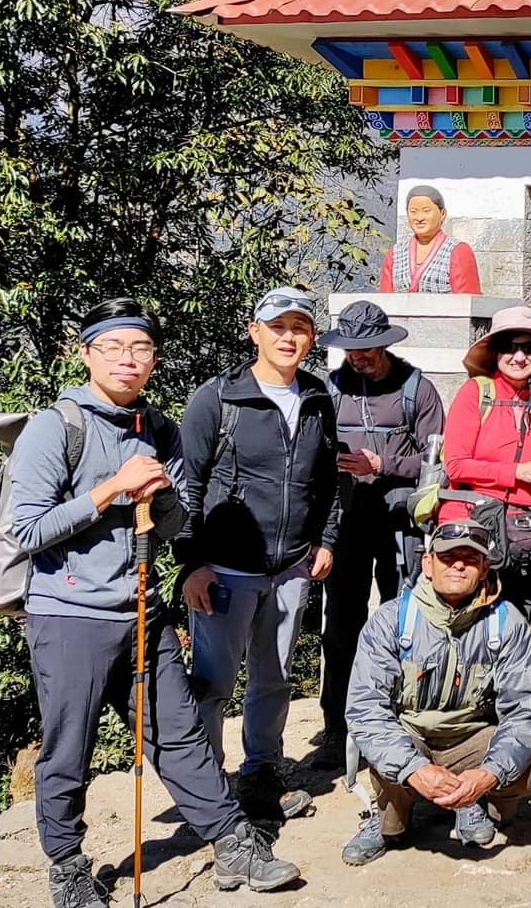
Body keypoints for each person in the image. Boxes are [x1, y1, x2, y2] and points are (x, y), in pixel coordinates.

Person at [9, 298, 300, 908]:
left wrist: (161, 494)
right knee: (70, 744)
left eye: (139, 348)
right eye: (112, 347)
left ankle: (230, 839)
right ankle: (66, 866)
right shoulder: (54, 427)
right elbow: (27, 530)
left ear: (153, 360)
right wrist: (112, 489)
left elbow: (170, 525)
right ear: (86, 353)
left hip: (141, 609)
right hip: (70, 616)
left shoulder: (156, 428)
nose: (127, 359)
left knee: (180, 731)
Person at [177, 286, 340, 822]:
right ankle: (205, 790)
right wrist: (190, 563)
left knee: (273, 677)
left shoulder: (317, 397)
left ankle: (260, 775)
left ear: (311, 338)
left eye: (300, 328)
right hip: (224, 568)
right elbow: (188, 486)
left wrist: (326, 540)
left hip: (291, 566)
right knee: (212, 682)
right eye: (279, 327)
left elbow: (327, 479)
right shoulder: (217, 398)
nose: (289, 337)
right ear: (255, 332)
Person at [340, 510, 531, 866]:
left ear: (485, 568)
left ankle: (473, 802)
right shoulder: (391, 620)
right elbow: (365, 709)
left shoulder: (507, 623)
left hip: (472, 740)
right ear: (427, 563)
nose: (458, 566)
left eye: (470, 559)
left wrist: (490, 773)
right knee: (380, 750)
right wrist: (414, 768)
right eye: (447, 557)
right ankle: (390, 820)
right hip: (412, 737)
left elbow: (526, 708)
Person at [313, 300, 445, 771]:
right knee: (340, 627)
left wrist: (383, 465)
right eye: (351, 348)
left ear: (385, 344)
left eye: (367, 347)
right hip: (346, 524)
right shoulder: (330, 390)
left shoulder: (417, 391)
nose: (359, 356)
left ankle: (405, 724)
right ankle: (338, 727)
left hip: (401, 526)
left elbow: (437, 465)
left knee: (406, 625)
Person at [444, 303, 531, 615]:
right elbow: (456, 464)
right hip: (474, 530)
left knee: (516, 627)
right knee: (470, 626)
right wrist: (518, 472)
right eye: (509, 347)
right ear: (496, 353)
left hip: (527, 537)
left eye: (529, 348)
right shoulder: (475, 392)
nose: (519, 357)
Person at [378, 184, 481, 294]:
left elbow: (467, 301)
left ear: (442, 214)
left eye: (426, 211)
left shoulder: (457, 251)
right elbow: (385, 298)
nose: (419, 218)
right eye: (413, 212)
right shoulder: (395, 253)